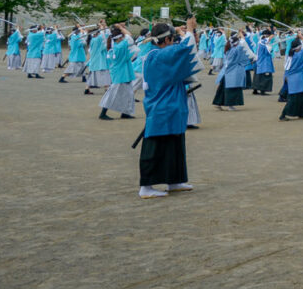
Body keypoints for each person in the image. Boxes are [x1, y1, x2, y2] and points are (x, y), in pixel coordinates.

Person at [136, 18, 199, 198]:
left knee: (175, 146)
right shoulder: (157, 56)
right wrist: (189, 29)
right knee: (155, 147)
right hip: (162, 107)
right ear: (166, 40)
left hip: (171, 106)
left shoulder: (157, 54)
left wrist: (185, 31)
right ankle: (146, 187)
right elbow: (185, 49)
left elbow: (180, 50)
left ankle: (174, 181)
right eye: (171, 39)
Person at [99, 25, 138, 120]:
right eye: (122, 36)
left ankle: (125, 113)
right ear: (119, 38)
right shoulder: (121, 45)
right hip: (121, 74)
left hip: (123, 73)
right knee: (112, 94)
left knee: (129, 94)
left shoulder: (116, 47)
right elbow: (129, 35)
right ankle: (103, 113)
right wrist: (121, 27)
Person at [213, 32, 255, 110]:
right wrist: (251, 60)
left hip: (225, 71)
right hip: (233, 72)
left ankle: (218, 103)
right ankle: (230, 105)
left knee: (222, 88)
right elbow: (242, 58)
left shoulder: (228, 49)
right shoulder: (236, 49)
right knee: (232, 88)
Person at [280, 36, 303, 120]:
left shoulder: (290, 55)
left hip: (291, 78)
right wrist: (302, 37)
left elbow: (286, 68)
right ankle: (284, 115)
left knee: (299, 98)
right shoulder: (300, 54)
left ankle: (302, 114)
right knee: (297, 99)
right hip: (299, 78)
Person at [84, 24, 111, 95]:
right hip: (99, 61)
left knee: (92, 75)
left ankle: (87, 88)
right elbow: (104, 38)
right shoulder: (96, 40)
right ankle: (107, 88)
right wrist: (102, 28)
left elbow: (104, 38)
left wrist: (103, 28)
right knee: (105, 75)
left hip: (94, 61)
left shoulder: (92, 40)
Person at [253, 30, 275, 95]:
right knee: (265, 77)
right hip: (264, 62)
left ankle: (255, 89)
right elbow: (269, 47)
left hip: (259, 61)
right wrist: (271, 34)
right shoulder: (263, 41)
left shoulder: (260, 41)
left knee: (257, 76)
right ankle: (263, 90)